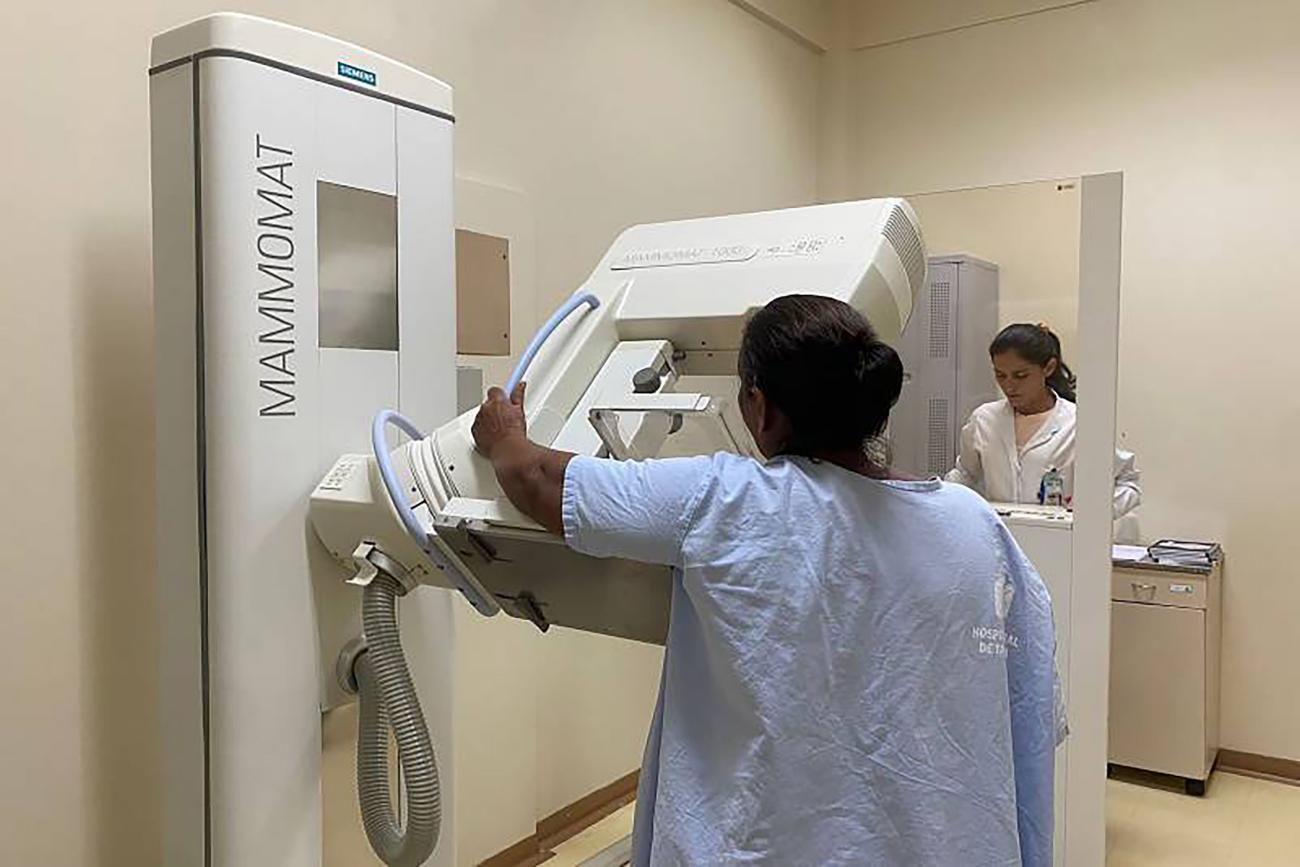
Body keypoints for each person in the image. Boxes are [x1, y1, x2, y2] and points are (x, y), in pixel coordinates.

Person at [472, 295, 1062, 866]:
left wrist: (503, 434)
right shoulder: (973, 523)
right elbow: (1030, 705)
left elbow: (537, 480)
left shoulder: (724, 497)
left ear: (760, 406)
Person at [946, 323, 1141, 528]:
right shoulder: (984, 419)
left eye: (1021, 376)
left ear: (1048, 368)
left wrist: (1089, 514)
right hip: (999, 535)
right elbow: (965, 475)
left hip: (1059, 538)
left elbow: (1127, 483)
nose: (1009, 386)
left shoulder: (1079, 423)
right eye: (1000, 375)